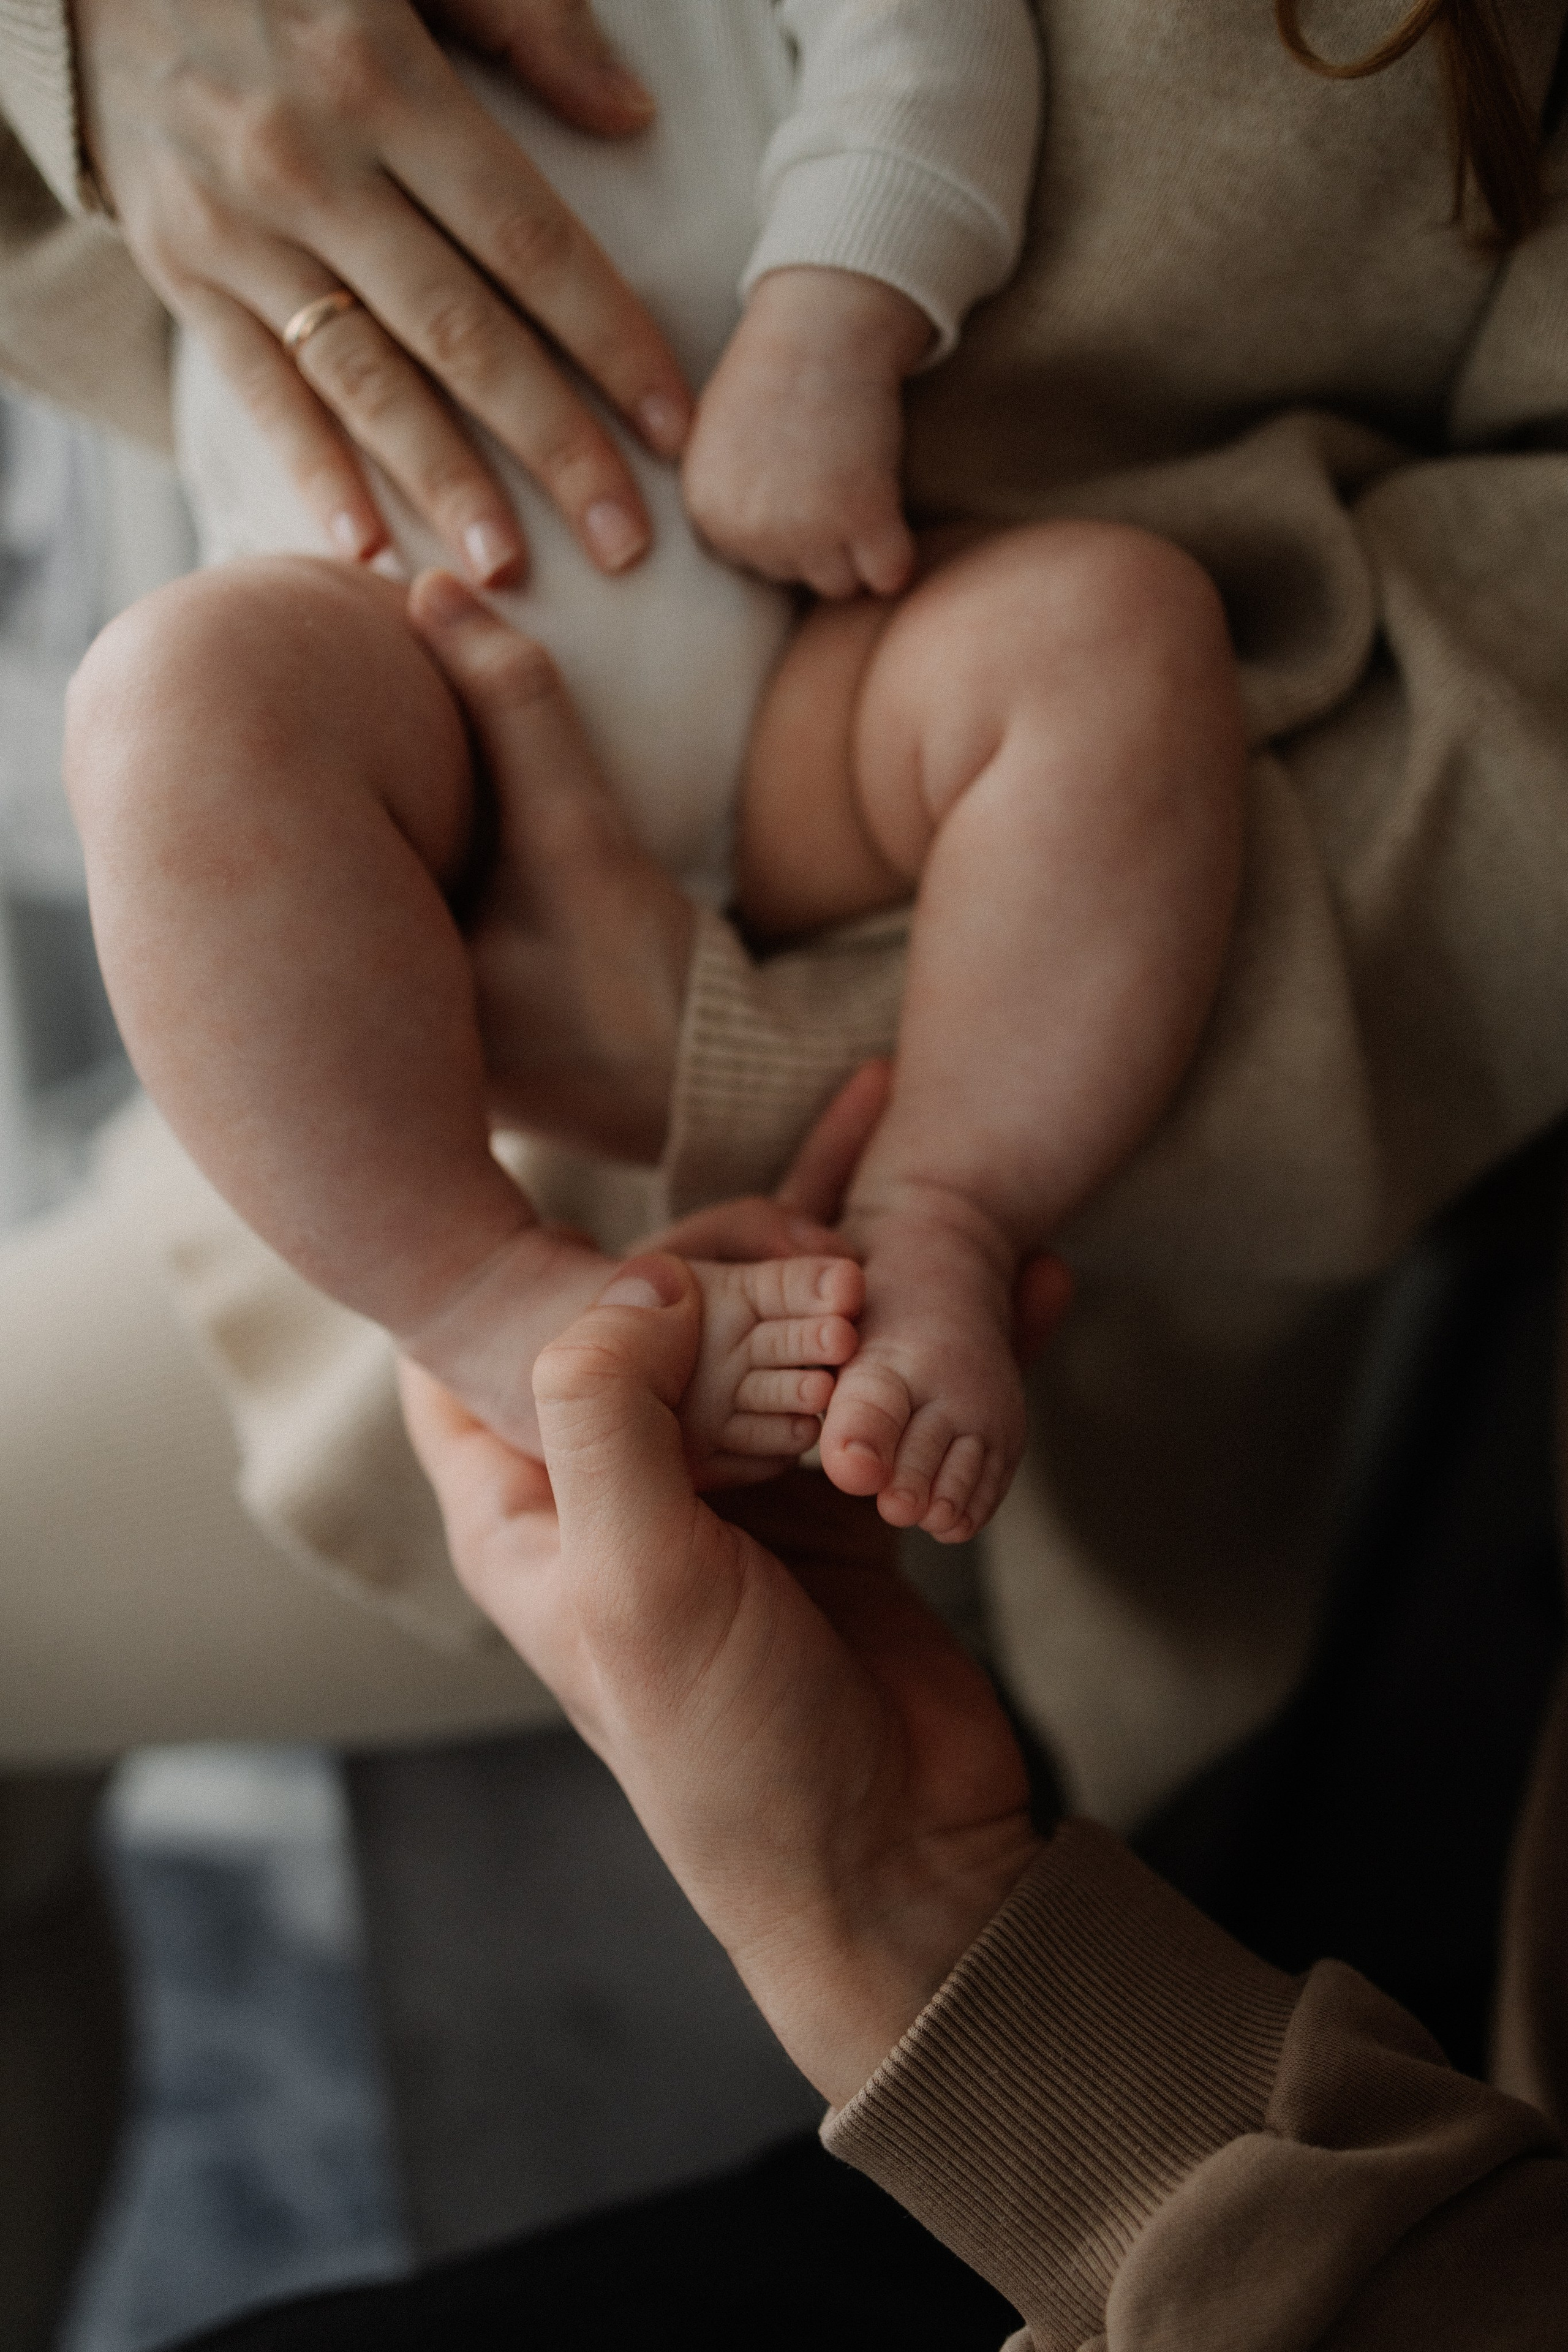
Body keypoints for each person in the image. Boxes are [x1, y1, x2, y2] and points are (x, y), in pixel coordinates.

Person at [6, 0, 1568, 2337]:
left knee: (1108, 632)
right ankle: (491, 1292)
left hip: (879, 743)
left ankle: (938, 1201)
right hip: (410, 718)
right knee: (171, 708)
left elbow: (924, 56)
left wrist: (837, 325)